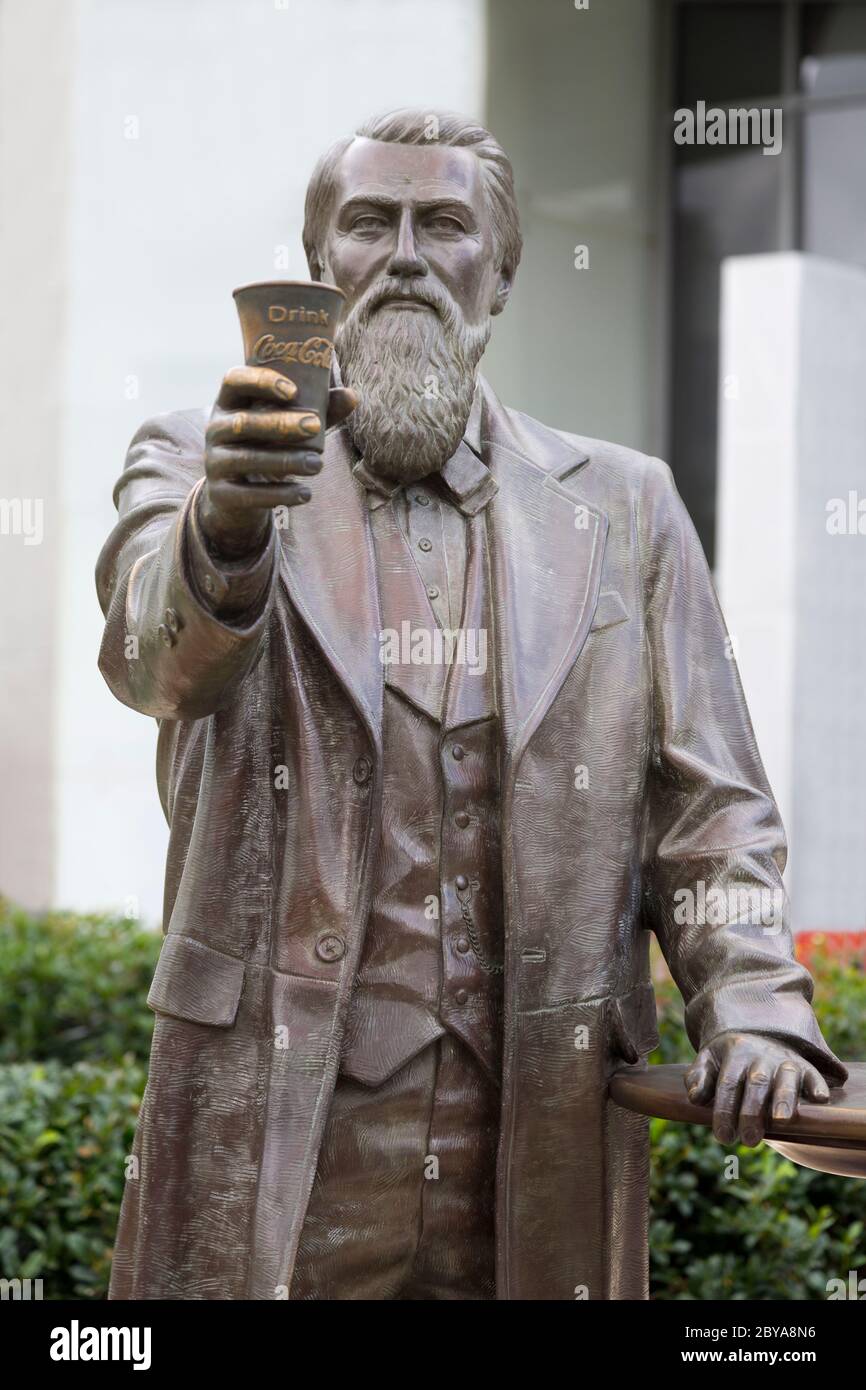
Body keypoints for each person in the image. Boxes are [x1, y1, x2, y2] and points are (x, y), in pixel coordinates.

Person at [97, 109, 846, 1301]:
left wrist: (749, 1000)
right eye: (366, 223)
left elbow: (708, 808)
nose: (401, 254)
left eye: (441, 225)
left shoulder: (626, 509)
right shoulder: (201, 462)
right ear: (316, 269)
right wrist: (227, 530)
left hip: (534, 1134)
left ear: (496, 272)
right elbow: (153, 663)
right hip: (280, 1131)